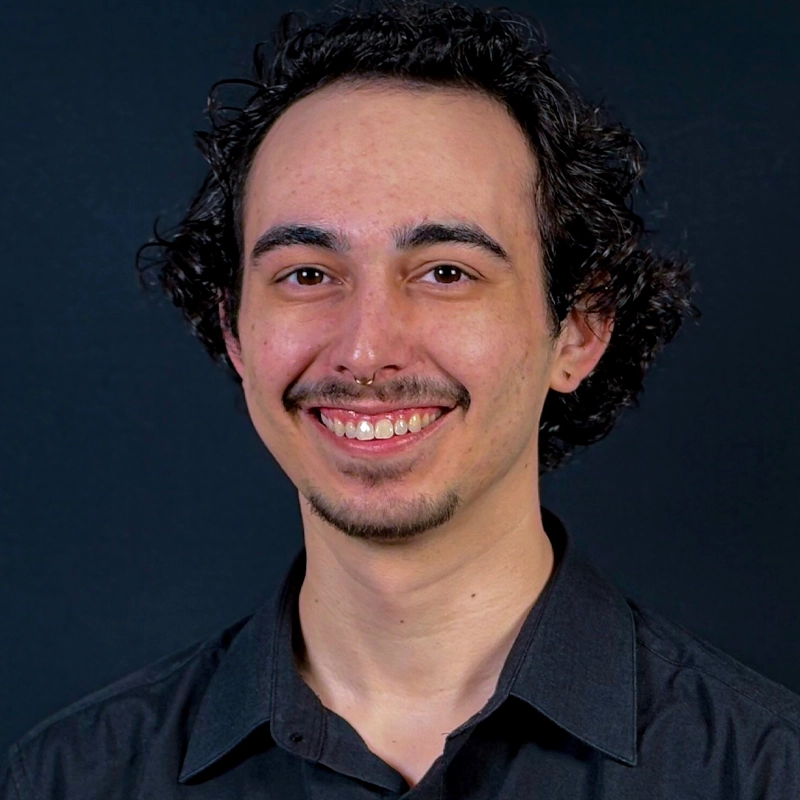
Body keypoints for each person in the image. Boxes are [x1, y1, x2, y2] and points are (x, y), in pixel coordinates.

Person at [3, 1, 799, 797]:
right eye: (307, 274)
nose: (365, 351)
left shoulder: (764, 772)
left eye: (447, 272)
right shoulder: (74, 777)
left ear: (579, 331)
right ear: (235, 331)